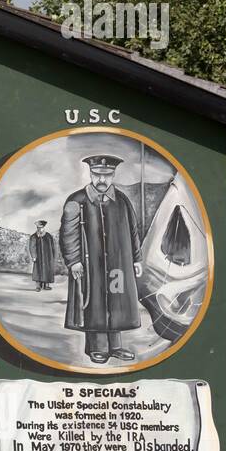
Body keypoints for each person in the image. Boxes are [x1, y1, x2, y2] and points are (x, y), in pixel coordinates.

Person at [59, 154, 143, 364]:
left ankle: (116, 347)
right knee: (94, 302)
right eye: (97, 174)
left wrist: (136, 258)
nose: (102, 180)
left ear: (113, 174)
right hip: (90, 265)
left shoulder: (122, 200)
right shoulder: (76, 201)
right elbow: (68, 234)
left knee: (117, 301)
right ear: (91, 173)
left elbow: (133, 230)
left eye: (107, 175)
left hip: (118, 264)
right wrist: (73, 261)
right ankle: (98, 348)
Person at [28, 219, 57, 291]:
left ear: (44, 228)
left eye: (41, 228)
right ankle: (38, 286)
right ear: (37, 228)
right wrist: (34, 256)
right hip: (38, 257)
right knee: (38, 270)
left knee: (47, 270)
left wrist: (53, 256)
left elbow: (53, 247)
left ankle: (46, 285)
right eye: (39, 228)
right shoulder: (33, 237)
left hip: (48, 257)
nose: (40, 229)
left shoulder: (49, 236)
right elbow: (32, 247)